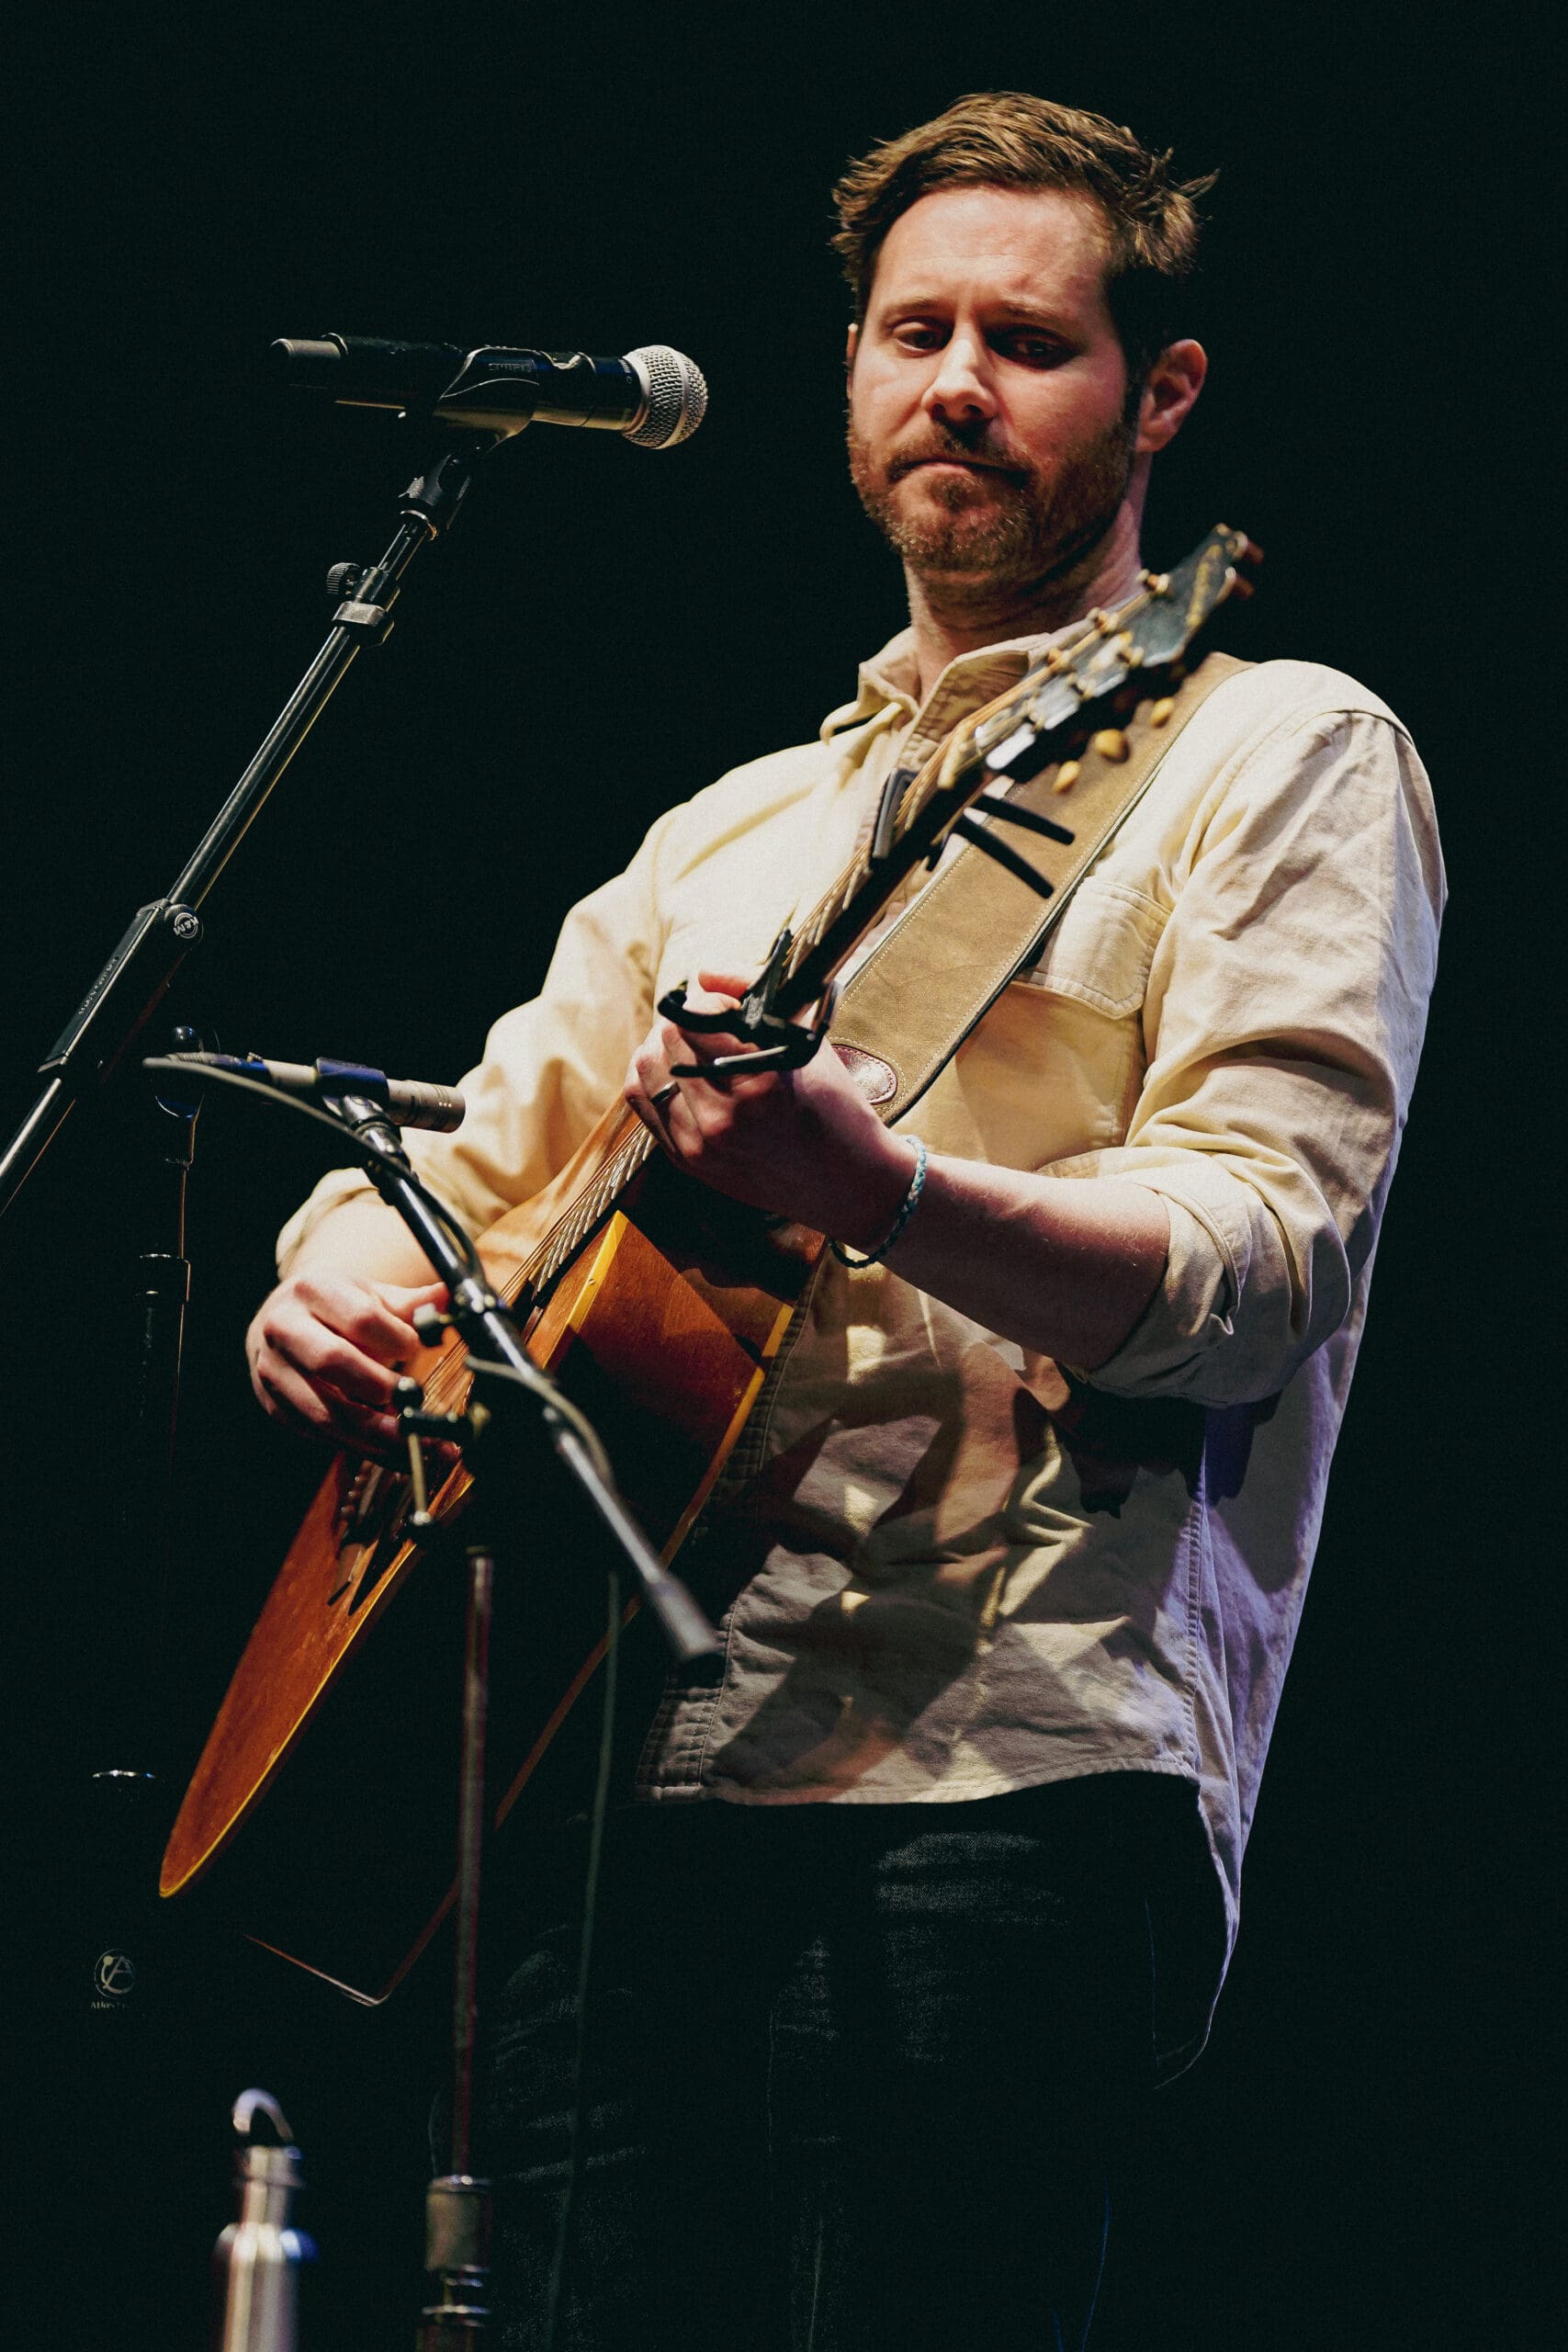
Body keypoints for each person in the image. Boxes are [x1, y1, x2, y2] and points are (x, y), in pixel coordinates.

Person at [247, 93, 1444, 2352]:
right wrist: (324, 1281)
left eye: (1027, 337)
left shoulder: (1272, 747)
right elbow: (448, 1172)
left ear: (1157, 393)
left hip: (995, 1763)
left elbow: (1261, 1258)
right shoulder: (732, 828)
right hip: (605, 1782)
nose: (954, 383)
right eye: (911, 331)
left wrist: (877, 1187)